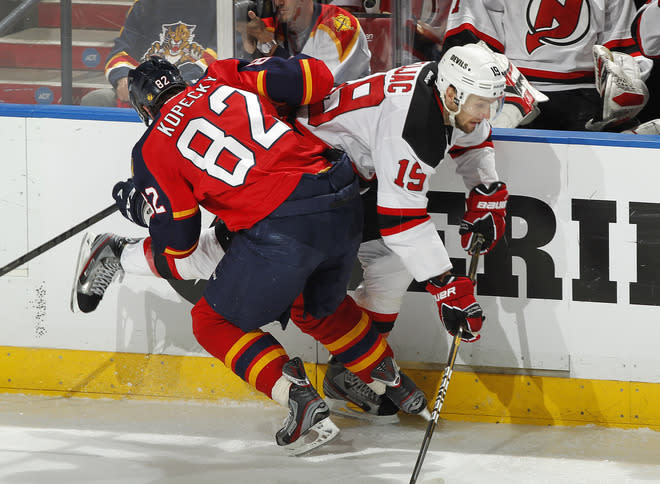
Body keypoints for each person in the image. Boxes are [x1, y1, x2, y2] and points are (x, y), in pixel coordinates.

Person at [72, 43, 506, 423]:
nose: (485, 113)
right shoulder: (222, 77)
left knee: (216, 293)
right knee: (296, 292)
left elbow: (177, 241)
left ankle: (341, 378)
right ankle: (378, 372)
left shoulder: (153, 145)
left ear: (143, 108)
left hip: (298, 192)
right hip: (323, 178)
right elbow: (315, 78)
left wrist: (146, 207)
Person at [442, 0, 653, 132]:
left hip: (588, 106)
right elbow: (468, 50)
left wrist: (626, 88)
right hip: (510, 100)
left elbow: (623, 56)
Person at [80, 0, 217, 107]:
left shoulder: (220, 6)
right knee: (96, 100)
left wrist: (184, 82)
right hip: (147, 92)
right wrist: (124, 78)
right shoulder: (144, 5)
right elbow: (121, 51)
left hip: (196, 93)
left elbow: (222, 52)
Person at [242, 0, 372, 84]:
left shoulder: (338, 25)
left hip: (343, 117)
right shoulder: (278, 24)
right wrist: (248, 38)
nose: (278, 3)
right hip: (305, 118)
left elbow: (312, 84)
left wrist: (271, 47)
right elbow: (249, 45)